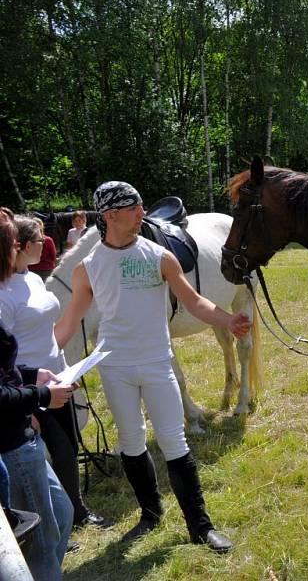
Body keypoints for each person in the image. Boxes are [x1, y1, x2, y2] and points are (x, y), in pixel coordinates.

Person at [55, 181, 251, 553]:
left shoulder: (159, 256)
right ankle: (150, 514)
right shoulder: (88, 268)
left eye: (142, 206)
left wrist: (227, 319)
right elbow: (65, 328)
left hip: (158, 363)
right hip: (115, 370)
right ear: (110, 215)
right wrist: (38, 364)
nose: (142, 213)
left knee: (174, 441)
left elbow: (193, 302)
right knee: (131, 442)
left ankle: (201, 526)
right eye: (134, 208)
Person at [1, 215, 114, 533]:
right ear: (19, 247)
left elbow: (50, 333)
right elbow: (4, 357)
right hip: (28, 388)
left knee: (70, 446)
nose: (45, 243)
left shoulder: (34, 279)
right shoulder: (3, 294)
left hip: (54, 378)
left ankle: (75, 512)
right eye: (38, 239)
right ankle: (53, 524)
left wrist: (83, 295)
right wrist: (24, 406)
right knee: (50, 455)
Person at [1, 206, 77, 581]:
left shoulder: (29, 280)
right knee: (42, 538)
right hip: (10, 439)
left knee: (59, 515)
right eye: (13, 242)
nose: (20, 246)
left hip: (21, 424)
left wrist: (34, 375)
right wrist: (39, 395)